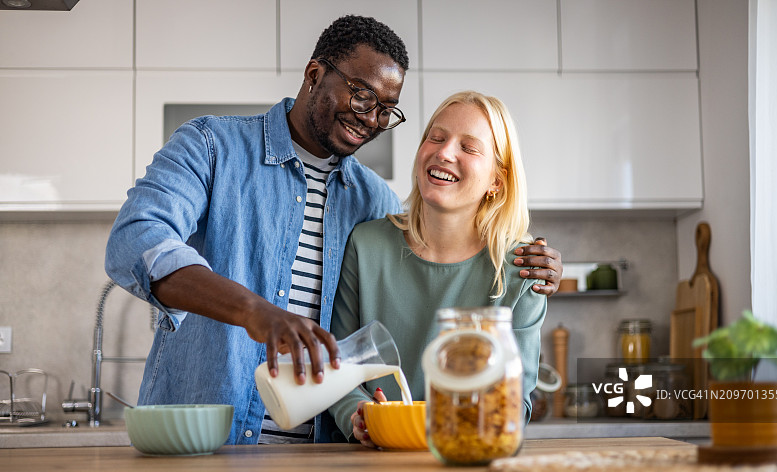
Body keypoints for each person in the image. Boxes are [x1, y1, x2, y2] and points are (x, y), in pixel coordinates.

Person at [104, 15, 562, 445]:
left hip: (315, 463)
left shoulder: (373, 203)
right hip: (201, 444)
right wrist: (253, 311)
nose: (370, 117)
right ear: (314, 74)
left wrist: (539, 263)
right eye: (362, 95)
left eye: (386, 109)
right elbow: (137, 239)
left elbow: (359, 350)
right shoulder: (212, 146)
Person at [328, 91, 547, 447]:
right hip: (375, 464)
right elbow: (341, 367)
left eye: (469, 147)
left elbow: (514, 401)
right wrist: (358, 414)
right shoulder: (366, 245)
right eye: (437, 137)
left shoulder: (521, 268)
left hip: (467, 461)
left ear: (497, 181)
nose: (444, 152)